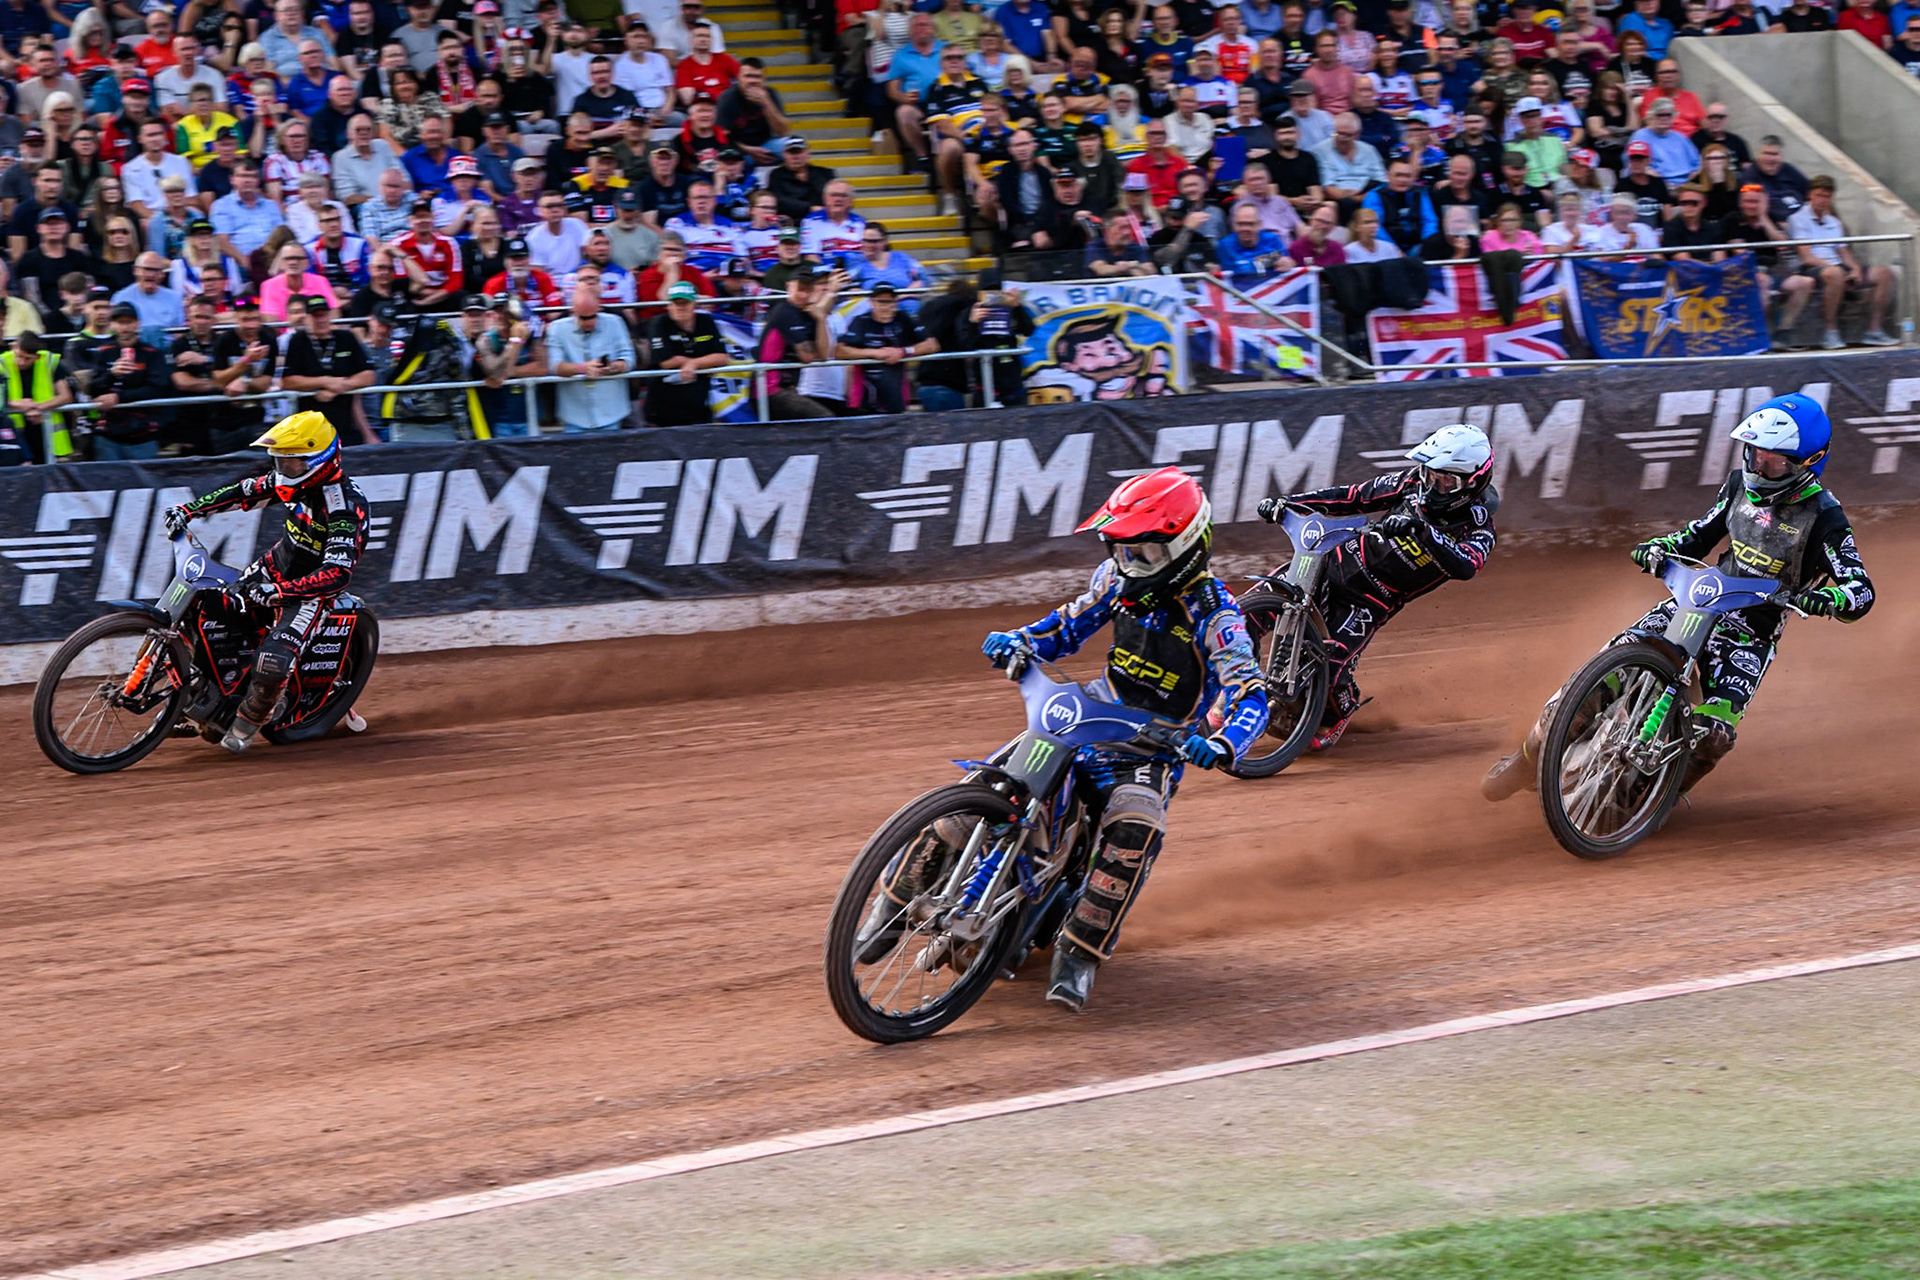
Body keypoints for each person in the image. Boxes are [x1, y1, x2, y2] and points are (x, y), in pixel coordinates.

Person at [965, 468, 1267, 1012]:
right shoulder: (1113, 581)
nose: (1131, 567)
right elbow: (1066, 627)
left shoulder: (1215, 616)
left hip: (1149, 749)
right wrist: (1019, 641)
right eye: (1123, 551)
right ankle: (892, 903)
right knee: (980, 788)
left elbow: (1250, 692)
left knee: (1136, 826)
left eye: (1145, 554)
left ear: (1185, 548)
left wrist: (1223, 745)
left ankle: (1079, 952)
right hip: (1083, 718)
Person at [1483, 396, 1875, 803]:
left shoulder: (1826, 517)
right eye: (1755, 454)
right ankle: (1529, 758)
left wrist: (1830, 599)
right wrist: (1661, 548)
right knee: (1599, 677)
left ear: (1808, 463)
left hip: (1749, 634)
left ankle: (1650, 801)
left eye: (1773, 461)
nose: (1759, 467)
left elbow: (1860, 589)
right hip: (1697, 601)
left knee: (1715, 735)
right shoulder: (1739, 485)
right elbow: (1699, 535)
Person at [1258, 423, 1497, 752]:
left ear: (1472, 482)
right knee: (1260, 603)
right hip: (1329, 565)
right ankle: (1234, 679)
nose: (1432, 486)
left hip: (1370, 602)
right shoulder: (1411, 484)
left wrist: (1423, 533)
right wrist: (1289, 502)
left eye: (1445, 481)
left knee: (1327, 667)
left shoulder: (1478, 527)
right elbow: (1354, 497)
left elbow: (1467, 565)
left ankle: (1340, 708)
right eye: (1429, 475)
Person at [161, 411, 370, 753]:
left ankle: (247, 722)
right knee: (204, 605)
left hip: (310, 593)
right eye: (278, 462)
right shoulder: (292, 480)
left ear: (319, 461)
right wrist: (190, 510)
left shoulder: (344, 507)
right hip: (273, 570)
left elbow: (337, 573)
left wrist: (280, 592)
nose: (281, 471)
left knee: (272, 660)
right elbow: (243, 492)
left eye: (290, 463)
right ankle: (197, 694)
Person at [1787, 174, 1899, 350]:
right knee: (1835, 274)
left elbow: (1843, 251)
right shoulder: (1798, 219)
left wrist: (1854, 269)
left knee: (1884, 273)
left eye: (1826, 196)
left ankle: (1874, 330)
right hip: (1814, 267)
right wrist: (1835, 267)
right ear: (1810, 194)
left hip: (1839, 265)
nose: (1822, 200)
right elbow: (1806, 256)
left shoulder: (1834, 222)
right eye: (1819, 195)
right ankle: (1829, 331)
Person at [76, 302, 172, 460]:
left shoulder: (152, 354)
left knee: (144, 484)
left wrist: (119, 397)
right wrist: (111, 374)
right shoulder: (104, 353)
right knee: (109, 482)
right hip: (108, 434)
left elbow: (158, 388)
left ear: (137, 324)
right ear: (112, 324)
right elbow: (93, 389)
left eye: (129, 322)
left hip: (143, 434)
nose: (124, 328)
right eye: (120, 322)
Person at [546, 278, 636, 432]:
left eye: (593, 316)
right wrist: (583, 368)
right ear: (572, 311)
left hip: (611, 412)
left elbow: (629, 358)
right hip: (575, 415)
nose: (589, 322)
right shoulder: (556, 329)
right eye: (583, 317)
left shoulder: (615, 322)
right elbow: (554, 366)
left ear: (599, 308)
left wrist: (614, 367)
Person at [640, 280, 727, 426]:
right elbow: (666, 361)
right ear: (668, 306)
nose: (679, 308)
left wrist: (694, 363)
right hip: (663, 404)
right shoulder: (659, 323)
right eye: (675, 303)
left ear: (694, 305)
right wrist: (704, 363)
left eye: (684, 303)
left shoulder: (706, 321)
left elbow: (723, 357)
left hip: (699, 403)